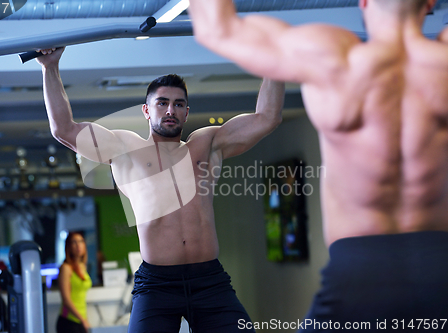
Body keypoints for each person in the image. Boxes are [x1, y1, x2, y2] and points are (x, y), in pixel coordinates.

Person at [188, 0, 448, 329]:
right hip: (440, 261)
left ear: (363, 2)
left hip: (355, 269)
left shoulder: (330, 56)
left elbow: (216, 26)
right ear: (431, 3)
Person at [36, 47, 285, 332]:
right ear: (146, 110)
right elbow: (63, 129)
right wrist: (50, 67)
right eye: (162, 102)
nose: (170, 110)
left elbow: (268, 117)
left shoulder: (207, 144)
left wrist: (274, 59)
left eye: (179, 104)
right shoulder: (125, 149)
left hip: (210, 281)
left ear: (187, 112)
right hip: (157, 286)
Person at [57, 232, 92, 333]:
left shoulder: (82, 267)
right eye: (74, 242)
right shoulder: (66, 268)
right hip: (69, 320)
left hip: (80, 319)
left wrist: (84, 320)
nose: (78, 245)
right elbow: (66, 300)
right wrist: (82, 320)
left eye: (81, 241)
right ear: (69, 247)